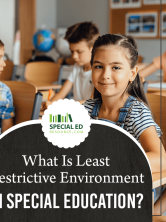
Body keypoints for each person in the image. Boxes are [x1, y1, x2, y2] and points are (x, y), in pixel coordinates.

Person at [83, 34, 166, 214]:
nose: (105, 75)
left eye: (116, 67)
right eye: (98, 66)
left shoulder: (135, 112)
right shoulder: (86, 110)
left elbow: (161, 159)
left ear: (132, 73)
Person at [42, 21, 99, 109]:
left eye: (79, 52)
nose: (74, 56)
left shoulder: (99, 72)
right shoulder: (77, 67)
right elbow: (62, 93)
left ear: (93, 48)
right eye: (72, 51)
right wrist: (51, 103)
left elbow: (91, 102)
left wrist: (63, 106)